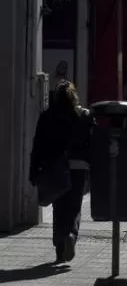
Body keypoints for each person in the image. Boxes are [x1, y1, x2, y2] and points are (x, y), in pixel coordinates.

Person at [29, 82, 93, 262]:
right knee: (74, 208)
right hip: (78, 168)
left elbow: (38, 145)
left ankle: (59, 249)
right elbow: (92, 143)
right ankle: (71, 235)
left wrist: (33, 171)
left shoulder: (47, 116)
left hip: (55, 167)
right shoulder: (82, 116)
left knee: (59, 208)